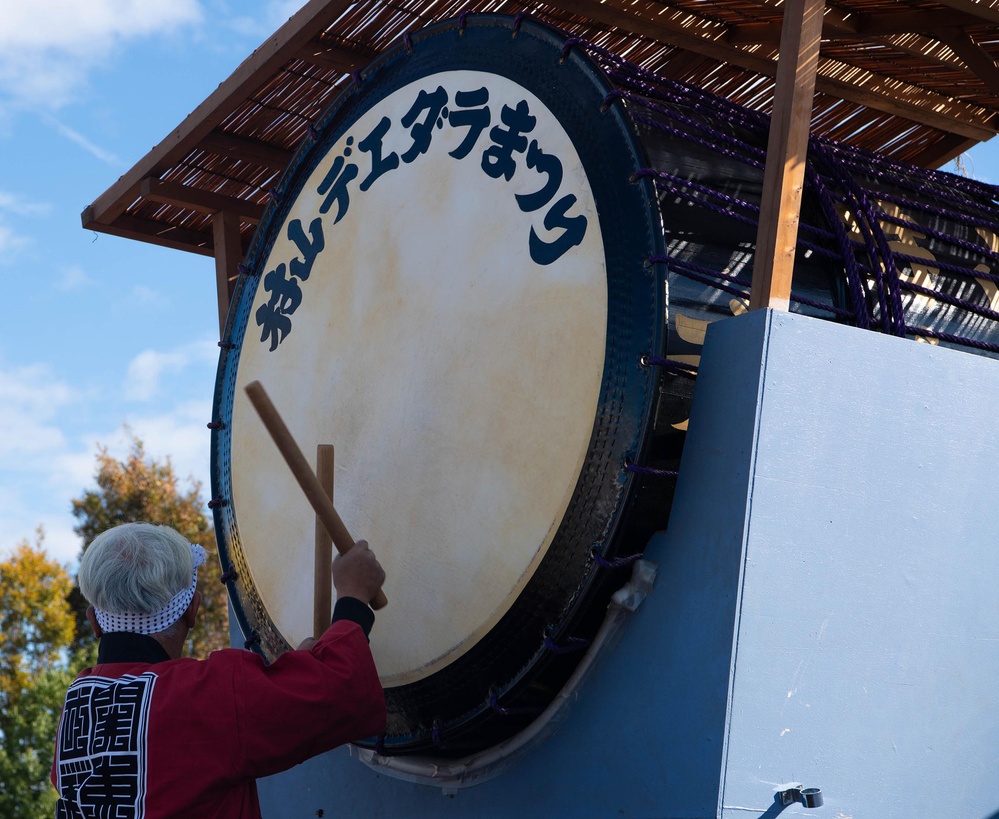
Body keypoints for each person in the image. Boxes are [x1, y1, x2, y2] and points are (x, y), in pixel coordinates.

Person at [51, 521, 386, 818]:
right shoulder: (207, 696)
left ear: (94, 621)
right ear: (192, 610)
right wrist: (354, 595)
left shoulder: (76, 707)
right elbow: (343, 690)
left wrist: (290, 676)